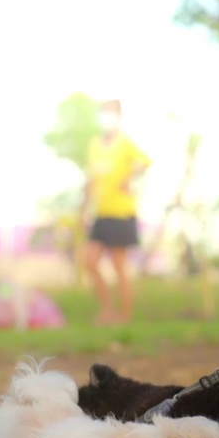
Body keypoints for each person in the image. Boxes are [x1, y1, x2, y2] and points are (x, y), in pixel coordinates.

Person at [80, 98, 151, 325]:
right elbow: (91, 179)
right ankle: (107, 310)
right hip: (101, 213)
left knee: (119, 266)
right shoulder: (94, 145)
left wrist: (128, 179)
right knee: (90, 262)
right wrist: (83, 210)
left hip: (121, 212)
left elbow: (146, 162)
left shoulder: (124, 143)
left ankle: (125, 316)